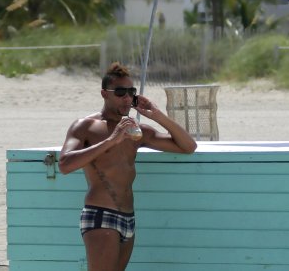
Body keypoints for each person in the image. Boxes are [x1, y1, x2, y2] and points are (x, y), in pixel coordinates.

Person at [58, 62, 198, 271]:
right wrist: (110, 141)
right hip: (101, 215)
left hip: (128, 219)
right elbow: (65, 164)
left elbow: (188, 146)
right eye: (120, 92)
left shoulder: (136, 131)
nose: (126, 98)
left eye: (131, 93)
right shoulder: (86, 126)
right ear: (105, 94)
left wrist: (156, 114)